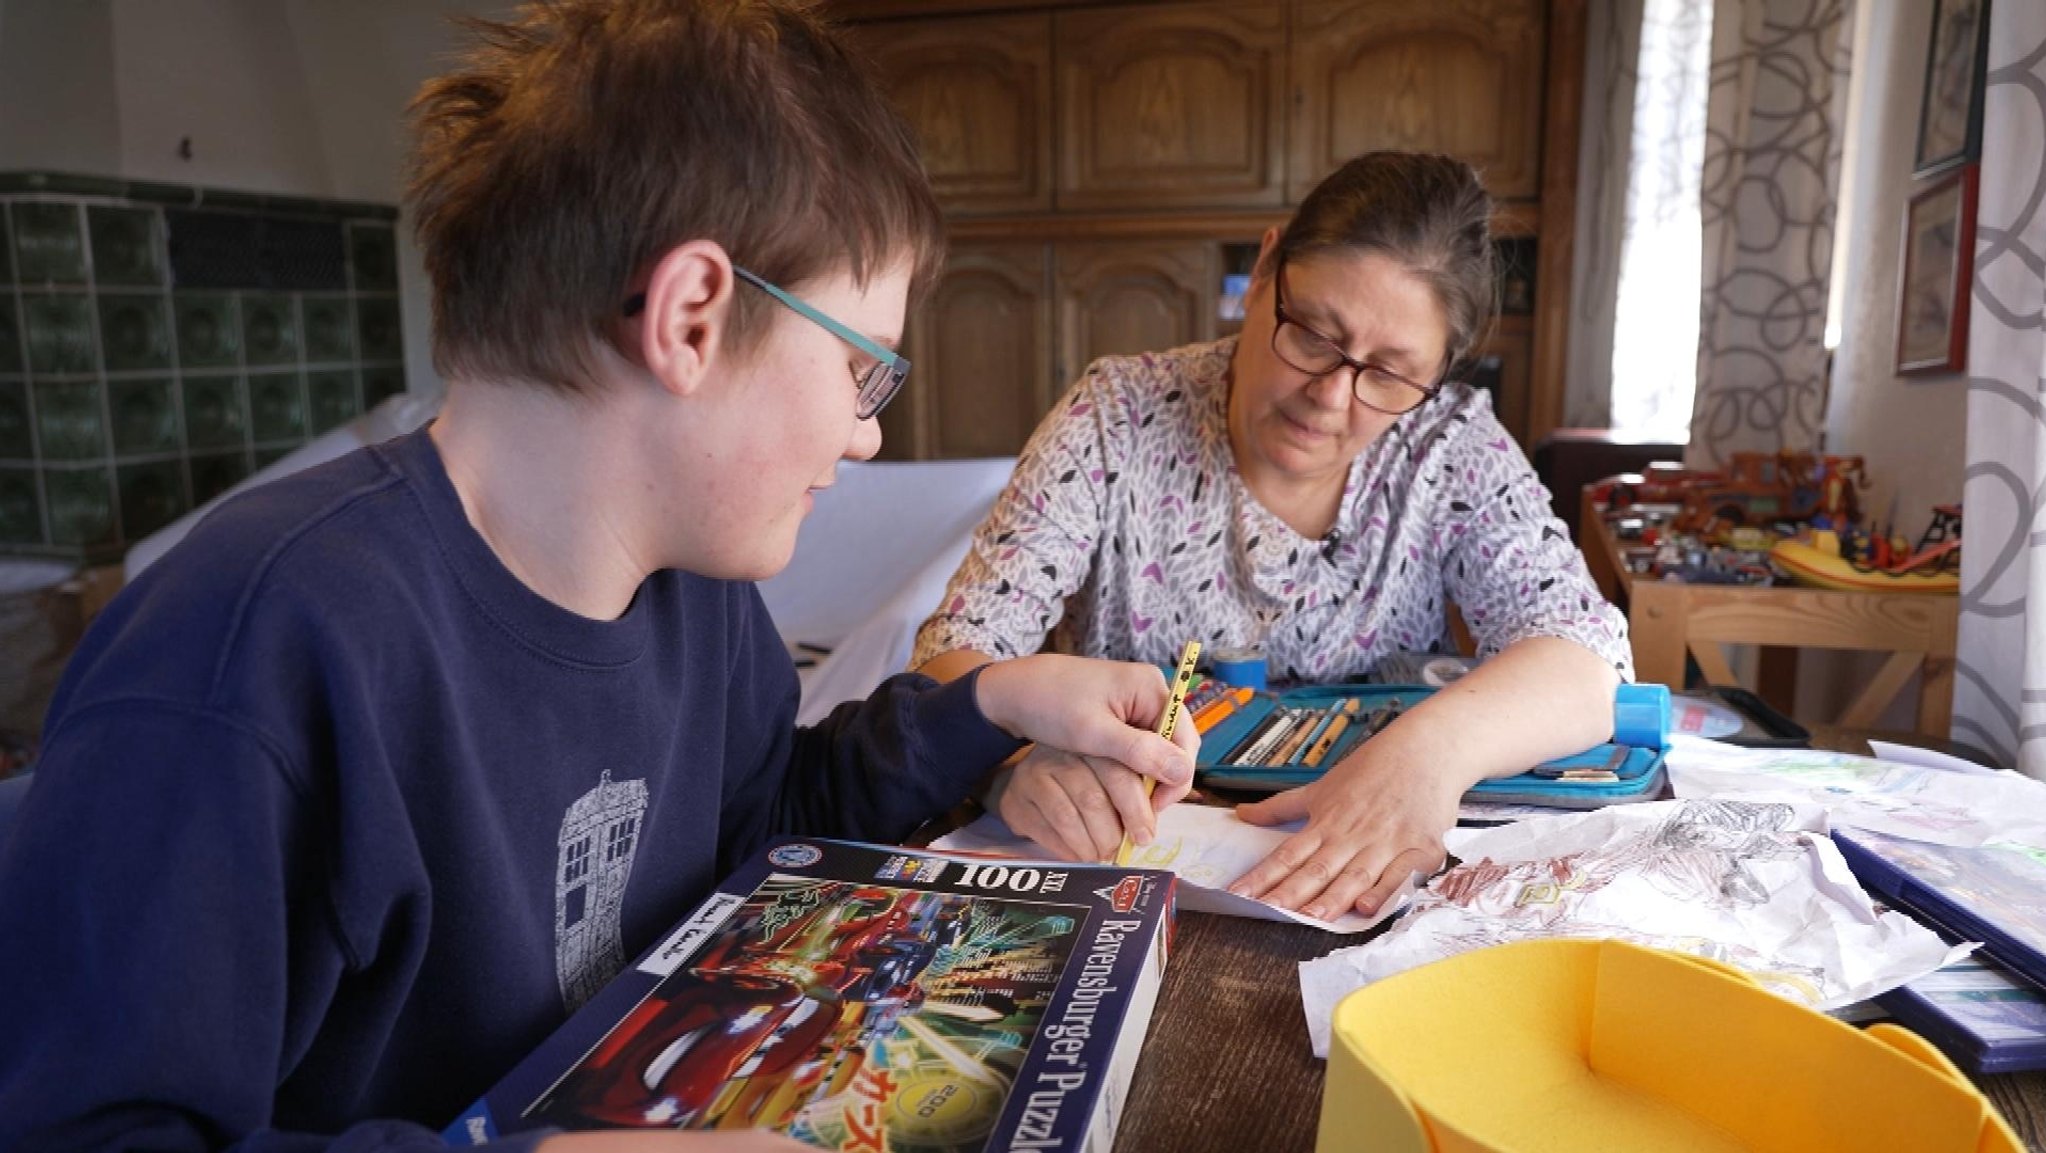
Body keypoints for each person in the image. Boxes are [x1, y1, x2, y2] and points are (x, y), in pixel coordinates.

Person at [0, 3, 1195, 1150]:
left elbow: (759, 826)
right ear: (687, 318)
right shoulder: (255, 647)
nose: (867, 432)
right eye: (862, 370)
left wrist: (987, 703)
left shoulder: (692, 583)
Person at [914, 152, 1630, 924]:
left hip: (1366, 888)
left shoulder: (1448, 442)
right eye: (1315, 335)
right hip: (1129, 871)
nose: (1329, 397)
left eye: (1389, 374)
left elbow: (1588, 659)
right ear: (1263, 272)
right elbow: (955, 649)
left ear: (1441, 371)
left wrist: (1428, 756)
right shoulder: (1117, 416)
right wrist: (1009, 764)